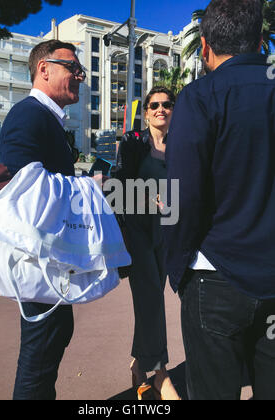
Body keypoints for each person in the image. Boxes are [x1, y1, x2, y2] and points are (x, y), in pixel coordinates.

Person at [165, 0, 275, 400]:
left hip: (216, 277)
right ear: (262, 41)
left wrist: (177, 269)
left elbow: (184, 195)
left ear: (206, 47)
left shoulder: (200, 97)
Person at [0, 39, 85, 399]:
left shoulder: (45, 118)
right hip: (38, 263)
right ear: (44, 69)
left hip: (49, 262)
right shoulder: (30, 114)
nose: (80, 76)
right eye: (73, 68)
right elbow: (17, 188)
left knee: (51, 342)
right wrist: (86, 188)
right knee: (38, 357)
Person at [115, 86, 181, 400]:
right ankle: (161, 375)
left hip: (166, 234)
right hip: (137, 234)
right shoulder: (132, 142)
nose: (160, 109)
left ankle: (138, 366)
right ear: (146, 112)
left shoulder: (181, 145)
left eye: (167, 104)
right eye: (154, 104)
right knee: (152, 299)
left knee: (150, 304)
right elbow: (116, 187)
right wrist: (145, 196)